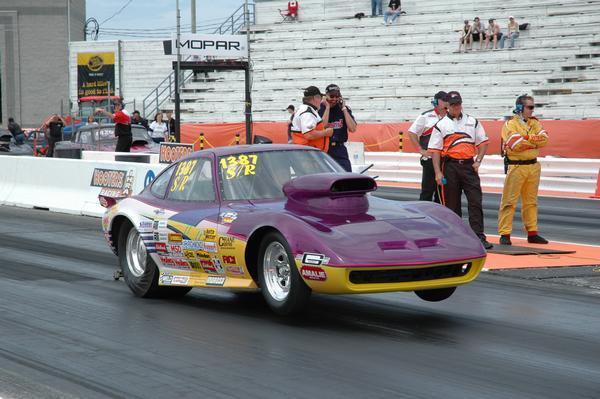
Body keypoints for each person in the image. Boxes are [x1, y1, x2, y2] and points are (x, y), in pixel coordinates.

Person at [428, 91, 493, 249]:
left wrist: (478, 160)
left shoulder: (472, 121)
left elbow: (483, 142)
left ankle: (478, 236)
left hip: (469, 166)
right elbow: (435, 151)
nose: (456, 107)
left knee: (475, 201)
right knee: (452, 204)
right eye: (453, 104)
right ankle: (456, 236)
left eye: (458, 104)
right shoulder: (440, 125)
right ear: (447, 106)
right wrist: (437, 172)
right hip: (450, 166)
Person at [498, 95, 549, 245]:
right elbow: (515, 144)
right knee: (509, 201)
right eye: (530, 107)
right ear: (520, 108)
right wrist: (534, 141)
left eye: (533, 107)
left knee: (531, 202)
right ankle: (505, 234)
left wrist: (526, 138)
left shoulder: (535, 123)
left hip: (533, 166)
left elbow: (545, 139)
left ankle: (532, 233)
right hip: (516, 166)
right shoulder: (509, 125)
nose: (533, 110)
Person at [408, 91, 448, 202]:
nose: (446, 103)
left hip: (446, 160)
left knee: (442, 192)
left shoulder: (451, 116)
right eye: (443, 100)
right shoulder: (426, 116)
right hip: (430, 159)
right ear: (435, 102)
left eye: (447, 100)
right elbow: (412, 132)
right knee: (427, 191)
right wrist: (420, 150)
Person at [319, 84, 357, 172]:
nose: (334, 99)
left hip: (340, 149)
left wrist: (344, 108)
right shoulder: (321, 108)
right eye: (332, 96)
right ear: (326, 96)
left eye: (337, 96)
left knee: (346, 177)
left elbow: (352, 129)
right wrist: (327, 107)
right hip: (325, 148)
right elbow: (322, 126)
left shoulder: (343, 109)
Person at [291, 86, 333, 152]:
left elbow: (322, 125)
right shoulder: (307, 112)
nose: (321, 101)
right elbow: (309, 134)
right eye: (320, 98)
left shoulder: (307, 109)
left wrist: (327, 107)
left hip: (307, 152)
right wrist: (325, 133)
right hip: (307, 154)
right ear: (315, 97)